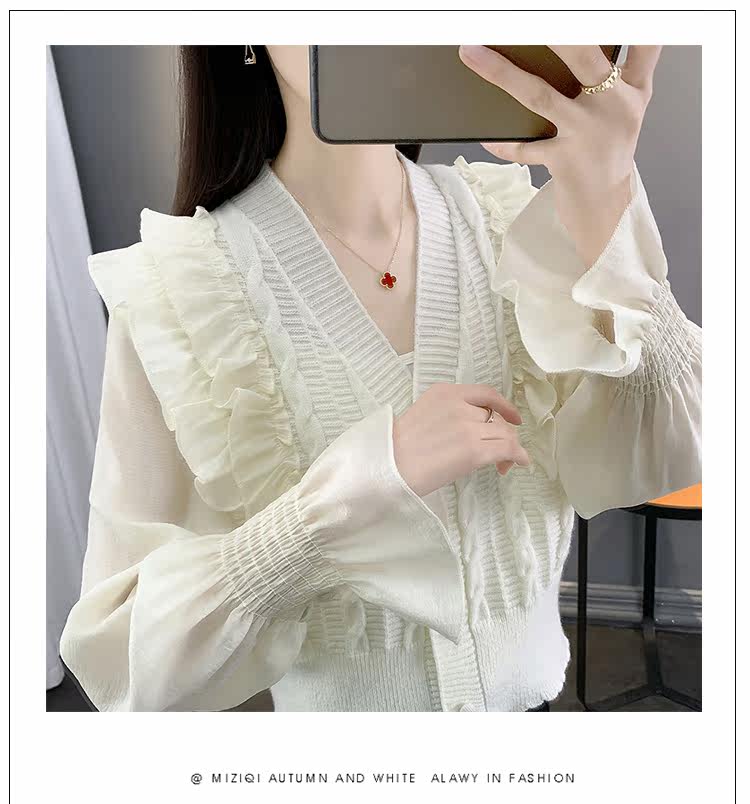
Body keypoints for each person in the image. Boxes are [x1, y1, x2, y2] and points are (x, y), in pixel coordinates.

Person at [59, 45, 701, 712]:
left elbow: (665, 450)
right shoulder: (181, 295)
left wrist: (606, 191)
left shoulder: (516, 224)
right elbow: (121, 661)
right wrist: (340, 505)